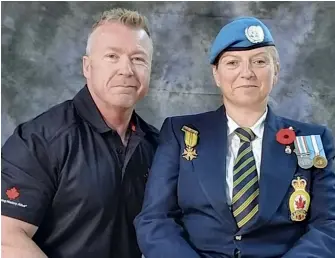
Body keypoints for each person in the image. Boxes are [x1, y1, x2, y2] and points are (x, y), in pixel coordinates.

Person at [134, 17, 335, 258]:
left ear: (276, 72)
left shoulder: (312, 140)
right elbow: (155, 219)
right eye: (232, 63)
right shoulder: (180, 133)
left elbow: (328, 225)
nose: (246, 73)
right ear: (216, 74)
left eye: (259, 61)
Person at [1, 8, 159, 258]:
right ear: (87, 67)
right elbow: (7, 238)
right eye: (112, 56)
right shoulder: (39, 140)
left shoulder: (157, 146)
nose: (126, 70)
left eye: (138, 59)